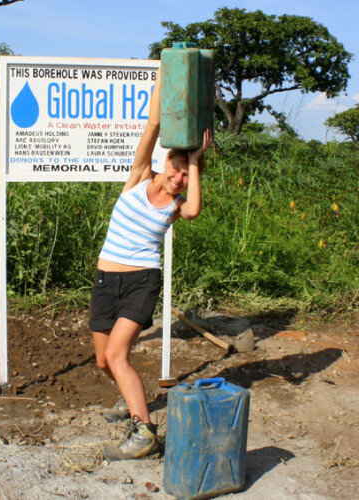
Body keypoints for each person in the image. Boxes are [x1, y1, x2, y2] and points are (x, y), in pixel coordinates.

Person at [89, 68, 213, 461]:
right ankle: (130, 399)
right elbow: (153, 125)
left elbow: (193, 210)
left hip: (143, 280)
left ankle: (144, 433)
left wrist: (195, 161)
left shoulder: (177, 205)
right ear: (163, 163)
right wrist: (165, 74)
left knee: (117, 356)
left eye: (185, 173)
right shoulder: (140, 177)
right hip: (106, 280)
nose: (178, 177)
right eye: (176, 167)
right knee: (102, 360)